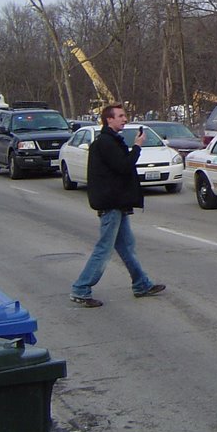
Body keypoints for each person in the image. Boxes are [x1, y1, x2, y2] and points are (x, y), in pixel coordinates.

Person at [70, 104, 165, 307]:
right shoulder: (106, 143)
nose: (124, 119)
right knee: (104, 249)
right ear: (109, 120)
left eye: (124, 115)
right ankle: (81, 289)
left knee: (126, 247)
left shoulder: (111, 141)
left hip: (117, 203)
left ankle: (141, 284)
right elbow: (124, 166)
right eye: (120, 116)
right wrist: (137, 146)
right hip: (111, 204)